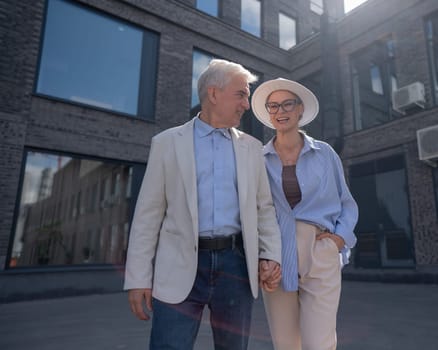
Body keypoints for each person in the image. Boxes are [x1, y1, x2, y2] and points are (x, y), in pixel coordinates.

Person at [124, 59, 282, 350]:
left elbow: (264, 209)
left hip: (235, 267)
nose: (246, 104)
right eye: (241, 94)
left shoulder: (252, 149)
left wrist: (270, 254)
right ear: (213, 93)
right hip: (179, 265)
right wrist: (138, 278)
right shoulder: (167, 143)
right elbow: (147, 214)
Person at [251, 78, 359, 350]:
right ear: (268, 113)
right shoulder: (257, 159)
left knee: (319, 343)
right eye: (273, 106)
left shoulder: (325, 153)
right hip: (275, 254)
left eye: (287, 103)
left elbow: (347, 203)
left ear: (300, 110)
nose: (280, 110)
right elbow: (251, 211)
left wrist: (339, 239)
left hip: (319, 249)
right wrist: (261, 255)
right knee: (285, 344)